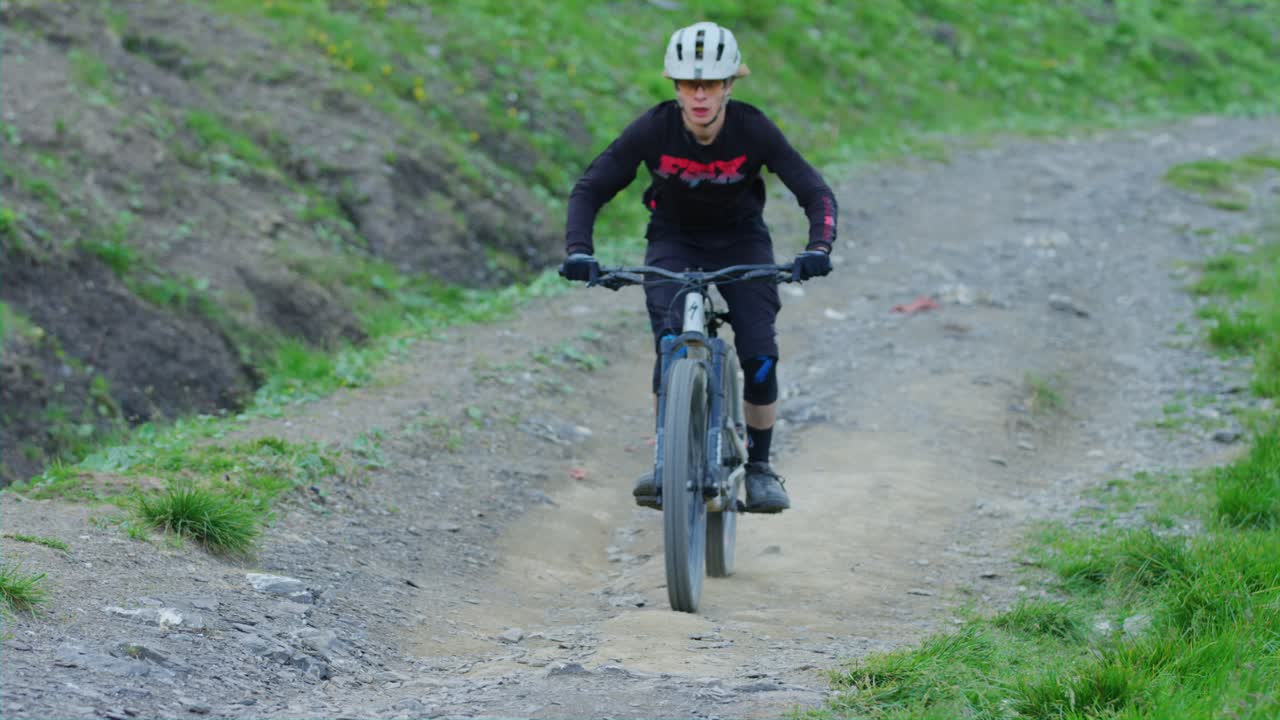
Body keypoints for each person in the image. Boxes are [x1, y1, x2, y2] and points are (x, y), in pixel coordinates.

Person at [559, 21, 836, 514]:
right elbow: (591, 188)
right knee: (669, 344)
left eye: (710, 84)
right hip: (674, 240)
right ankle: (669, 458)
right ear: (676, 86)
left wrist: (819, 246)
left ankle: (760, 466)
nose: (700, 95)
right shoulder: (654, 128)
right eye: (690, 84)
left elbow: (814, 191)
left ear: (729, 85)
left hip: (742, 243)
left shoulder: (752, 128)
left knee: (759, 353)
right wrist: (579, 250)